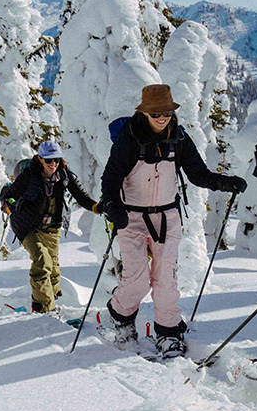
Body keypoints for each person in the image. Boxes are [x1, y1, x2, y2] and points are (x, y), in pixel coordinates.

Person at [101, 83, 247, 358]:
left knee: (165, 279)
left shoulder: (178, 138)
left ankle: (168, 332)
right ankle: (120, 316)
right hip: (131, 217)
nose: (162, 117)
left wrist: (224, 183)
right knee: (137, 280)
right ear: (144, 112)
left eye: (166, 112)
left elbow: (197, 174)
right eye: (156, 113)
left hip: (167, 218)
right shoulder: (129, 139)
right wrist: (112, 206)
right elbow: (111, 177)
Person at [0, 140, 101, 314]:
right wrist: (9, 204)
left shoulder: (65, 175)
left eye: (56, 159)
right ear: (40, 159)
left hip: (52, 225)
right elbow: (10, 195)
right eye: (48, 160)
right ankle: (43, 309)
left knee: (53, 268)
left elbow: (80, 195)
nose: (53, 163)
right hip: (27, 225)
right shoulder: (29, 175)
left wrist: (96, 207)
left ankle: (52, 300)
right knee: (41, 260)